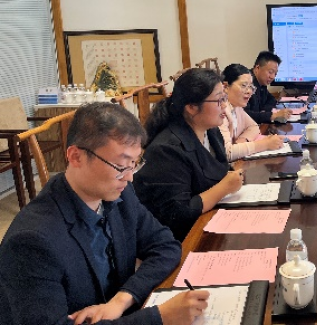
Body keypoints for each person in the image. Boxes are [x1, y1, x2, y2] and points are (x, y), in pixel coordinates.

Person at [0, 102, 209, 325]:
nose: (129, 177)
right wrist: (159, 318)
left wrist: (121, 300)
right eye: (120, 166)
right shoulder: (32, 241)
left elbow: (166, 246)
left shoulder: (119, 195)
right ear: (76, 157)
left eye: (134, 163)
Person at [133, 68, 244, 241]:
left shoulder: (211, 131)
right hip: (179, 239)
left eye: (224, 98)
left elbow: (220, 170)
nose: (224, 106)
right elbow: (178, 214)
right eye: (218, 100)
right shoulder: (166, 150)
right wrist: (224, 188)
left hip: (210, 220)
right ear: (192, 107)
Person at [220, 63, 286, 161]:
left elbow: (253, 126)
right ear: (225, 87)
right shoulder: (220, 111)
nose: (249, 91)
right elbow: (227, 153)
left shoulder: (236, 107)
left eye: (251, 87)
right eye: (243, 86)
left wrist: (242, 141)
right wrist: (265, 144)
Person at [244, 51, 292, 123]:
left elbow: (271, 99)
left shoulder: (261, 83)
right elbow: (244, 115)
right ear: (257, 68)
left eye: (275, 74)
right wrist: (272, 116)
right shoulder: (245, 84)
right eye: (270, 72)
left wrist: (264, 112)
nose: (272, 77)